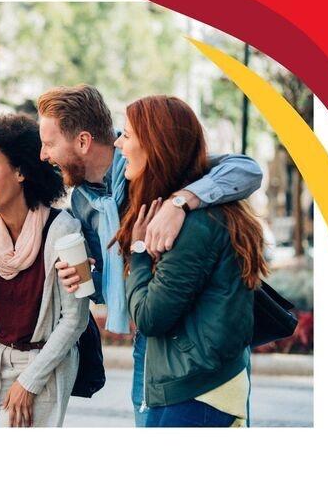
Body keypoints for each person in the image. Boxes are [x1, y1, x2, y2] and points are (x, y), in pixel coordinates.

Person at [37, 84, 263, 426]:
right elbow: (120, 279)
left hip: (196, 350)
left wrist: (181, 201)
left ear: (82, 142)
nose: (44, 155)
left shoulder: (154, 162)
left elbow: (246, 170)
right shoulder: (83, 203)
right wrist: (88, 279)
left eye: (49, 143)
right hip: (153, 340)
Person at [118, 95, 267, 426]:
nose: (118, 143)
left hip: (194, 394)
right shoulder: (184, 209)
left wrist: (140, 252)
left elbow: (149, 317)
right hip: (198, 388)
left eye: (127, 135)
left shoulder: (193, 224)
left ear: (156, 146)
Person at [0, 114, 89, 428]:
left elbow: (76, 318)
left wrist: (29, 383)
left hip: (45, 368)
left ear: (19, 171)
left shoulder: (63, 230)